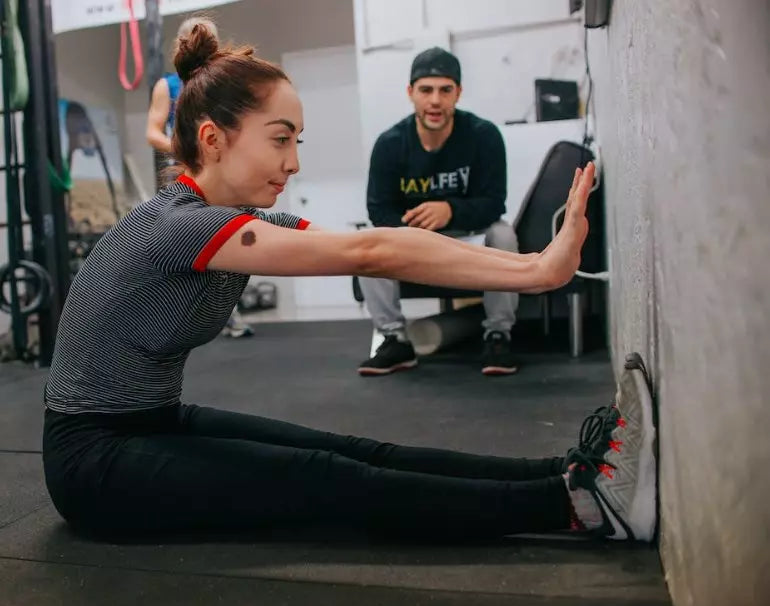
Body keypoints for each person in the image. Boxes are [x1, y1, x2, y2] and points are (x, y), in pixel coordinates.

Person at [42, 23, 656, 542]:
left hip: (152, 421)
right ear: (213, 139)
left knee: (358, 452)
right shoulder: (180, 227)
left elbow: (385, 250)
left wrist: (537, 267)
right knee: (325, 479)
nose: (294, 162)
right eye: (280, 140)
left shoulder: (243, 220)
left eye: (297, 141)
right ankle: (579, 508)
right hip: (94, 460)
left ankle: (570, 472)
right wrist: (538, 271)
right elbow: (372, 246)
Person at [358, 48, 519, 377]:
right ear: (410, 93)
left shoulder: (483, 135)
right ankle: (394, 339)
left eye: (445, 90)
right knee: (365, 240)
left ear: (458, 93)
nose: (435, 100)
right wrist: (414, 231)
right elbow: (379, 209)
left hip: (466, 233)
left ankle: (498, 334)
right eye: (426, 90)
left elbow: (494, 203)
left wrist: (449, 210)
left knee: (503, 233)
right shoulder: (390, 144)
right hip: (413, 236)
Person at [146, 15, 252, 338]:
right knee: (184, 241)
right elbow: (153, 132)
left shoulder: (222, 81)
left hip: (220, 170)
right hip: (184, 172)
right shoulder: (168, 86)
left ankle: (226, 313)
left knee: (228, 236)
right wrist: (185, 151)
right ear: (182, 44)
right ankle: (180, 315)